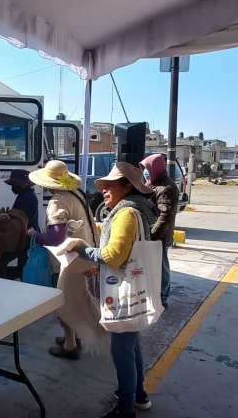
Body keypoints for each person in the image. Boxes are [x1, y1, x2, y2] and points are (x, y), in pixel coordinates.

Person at [73, 162, 159, 418]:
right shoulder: (139, 211)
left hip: (125, 295)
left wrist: (82, 251)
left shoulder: (125, 214)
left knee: (122, 351)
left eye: (111, 185)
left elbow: (114, 256)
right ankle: (138, 395)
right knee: (133, 347)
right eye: (104, 186)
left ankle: (125, 410)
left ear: (127, 187)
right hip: (137, 292)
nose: (104, 191)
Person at [27, 160, 100, 359]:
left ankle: (70, 346)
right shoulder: (77, 194)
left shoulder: (57, 201)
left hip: (69, 260)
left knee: (65, 302)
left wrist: (35, 235)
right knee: (76, 299)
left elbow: (56, 237)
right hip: (86, 254)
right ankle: (73, 336)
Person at [140, 154, 179, 309]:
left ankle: (162, 296)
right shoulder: (153, 183)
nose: (145, 172)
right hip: (151, 233)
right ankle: (153, 293)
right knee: (152, 266)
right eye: (144, 169)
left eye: (147, 169)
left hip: (159, 236)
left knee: (161, 266)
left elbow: (165, 216)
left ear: (155, 168)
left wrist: (153, 236)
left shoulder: (167, 187)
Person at [0, 170, 39, 278]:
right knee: (21, 267)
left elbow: (20, 219)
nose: (13, 186)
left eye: (15, 183)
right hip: (25, 237)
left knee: (2, 260)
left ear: (23, 183)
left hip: (23, 238)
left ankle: (0, 285)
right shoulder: (27, 195)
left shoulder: (26, 198)